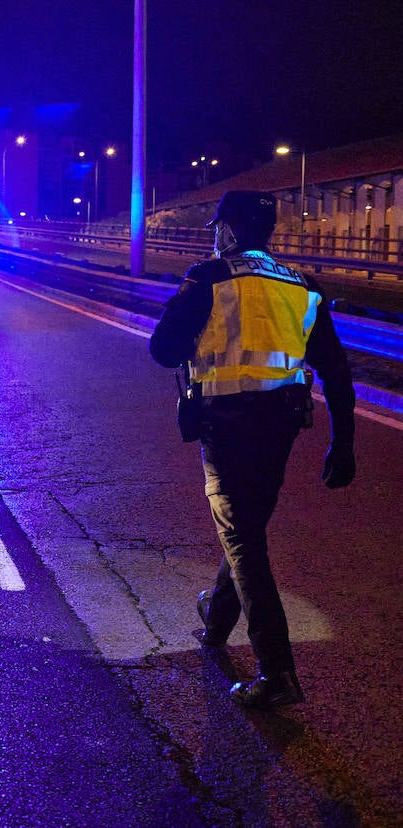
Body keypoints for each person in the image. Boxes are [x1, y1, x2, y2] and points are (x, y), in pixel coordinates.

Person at [150, 190, 356, 709]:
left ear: (231, 232)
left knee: (242, 538)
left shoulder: (211, 276)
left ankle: (277, 670)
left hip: (227, 425)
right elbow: (335, 370)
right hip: (282, 426)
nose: (215, 236)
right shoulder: (303, 285)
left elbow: (163, 349)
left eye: (218, 227)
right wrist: (343, 442)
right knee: (247, 526)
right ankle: (217, 621)